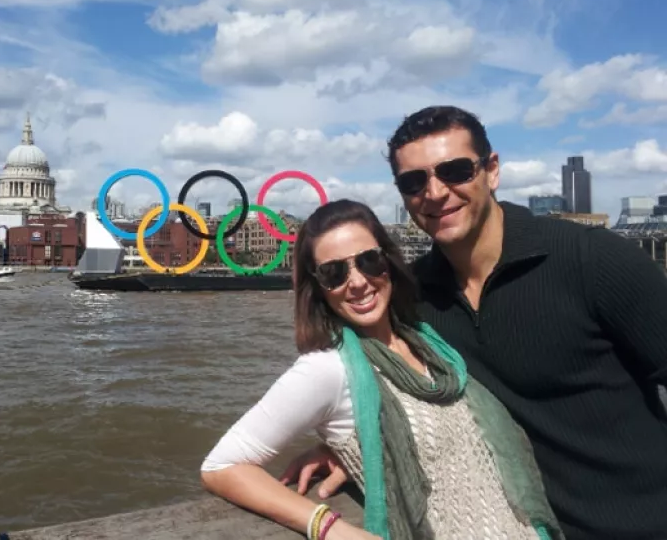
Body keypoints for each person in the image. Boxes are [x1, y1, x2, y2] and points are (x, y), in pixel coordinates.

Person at [280, 106, 667, 540]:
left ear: (492, 171)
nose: (436, 192)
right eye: (414, 181)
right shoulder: (414, 297)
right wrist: (356, 446)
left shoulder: (592, 261)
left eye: (456, 171)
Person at [200, 199, 564, 540]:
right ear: (319, 288)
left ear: (388, 261)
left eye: (369, 260)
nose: (357, 282)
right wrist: (330, 528)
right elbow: (222, 466)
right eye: (334, 272)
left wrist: (348, 450)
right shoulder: (327, 370)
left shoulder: (430, 341)